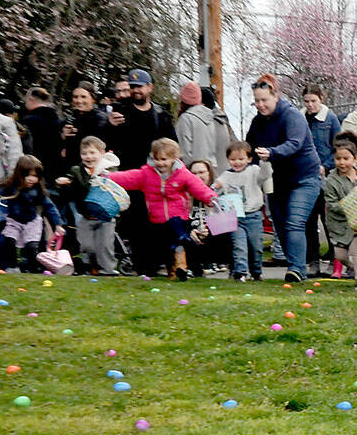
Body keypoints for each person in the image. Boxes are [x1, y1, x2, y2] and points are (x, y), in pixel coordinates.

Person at [245, 74, 322, 282]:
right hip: (276, 181)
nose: (260, 105)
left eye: (264, 100)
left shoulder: (292, 116)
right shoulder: (258, 122)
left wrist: (272, 152)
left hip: (305, 178)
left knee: (294, 222)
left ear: (275, 96)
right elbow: (249, 149)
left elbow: (295, 143)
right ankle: (294, 262)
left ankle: (297, 269)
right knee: (279, 223)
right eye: (257, 101)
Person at [105, 138, 217, 281]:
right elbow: (127, 177)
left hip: (178, 215)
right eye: (156, 159)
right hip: (157, 218)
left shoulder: (183, 174)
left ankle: (182, 264)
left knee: (176, 233)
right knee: (167, 246)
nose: (160, 163)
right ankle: (173, 270)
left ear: (173, 158)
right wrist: (107, 177)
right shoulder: (146, 174)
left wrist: (210, 197)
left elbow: (198, 187)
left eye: (164, 159)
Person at [108, 68, 176, 273]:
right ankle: (143, 266)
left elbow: (173, 146)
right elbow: (107, 143)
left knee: (159, 221)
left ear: (150, 88)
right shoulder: (120, 112)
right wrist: (109, 125)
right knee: (136, 223)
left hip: (157, 176)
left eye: (140, 86)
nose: (136, 90)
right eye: (133, 87)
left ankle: (161, 263)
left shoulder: (161, 114)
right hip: (132, 178)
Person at [53, 135, 121, 275]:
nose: (88, 157)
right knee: (87, 245)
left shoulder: (109, 170)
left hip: (105, 215)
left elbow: (115, 190)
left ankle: (108, 269)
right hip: (85, 214)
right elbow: (71, 190)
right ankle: (91, 266)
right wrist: (62, 184)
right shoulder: (76, 171)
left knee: (105, 244)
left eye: (92, 153)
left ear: (102, 154)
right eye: (84, 153)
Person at [212, 141, 273, 283]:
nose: (237, 162)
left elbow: (265, 175)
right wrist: (214, 188)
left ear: (249, 159)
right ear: (228, 160)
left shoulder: (254, 171)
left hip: (253, 215)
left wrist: (265, 161)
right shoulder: (226, 175)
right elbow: (217, 186)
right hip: (235, 218)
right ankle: (240, 273)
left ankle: (256, 272)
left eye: (241, 159)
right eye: (233, 159)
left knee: (256, 247)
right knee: (239, 246)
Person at [321, 133, 357, 289]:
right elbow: (331, 204)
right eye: (338, 159)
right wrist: (348, 205)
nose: (342, 163)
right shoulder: (331, 181)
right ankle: (354, 268)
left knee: (356, 249)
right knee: (340, 255)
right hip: (340, 224)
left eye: (346, 159)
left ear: (354, 158)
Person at [0, 155, 64, 273]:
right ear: (19, 174)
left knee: (32, 246)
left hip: (32, 222)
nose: (31, 179)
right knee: (9, 241)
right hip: (13, 221)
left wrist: (58, 224)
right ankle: (12, 267)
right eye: (27, 175)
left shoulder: (38, 191)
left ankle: (34, 269)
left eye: (35, 176)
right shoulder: (11, 187)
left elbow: (50, 207)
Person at [303, 84, 342, 274]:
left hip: (325, 174)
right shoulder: (302, 119)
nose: (310, 105)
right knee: (309, 222)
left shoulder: (330, 119)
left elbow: (337, 146)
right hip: (306, 176)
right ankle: (313, 260)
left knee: (328, 221)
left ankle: (334, 260)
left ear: (321, 100)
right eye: (307, 101)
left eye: (313, 101)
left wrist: (325, 165)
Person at [60, 81, 111, 166]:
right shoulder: (70, 119)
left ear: (93, 98)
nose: (79, 101)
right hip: (70, 167)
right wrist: (63, 136)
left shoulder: (100, 119)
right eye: (75, 97)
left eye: (83, 97)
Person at [21, 87, 64, 184]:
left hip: (32, 169)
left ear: (31, 99)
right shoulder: (57, 120)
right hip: (53, 170)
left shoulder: (29, 121)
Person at [175, 81, 222, 168]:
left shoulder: (186, 119)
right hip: (210, 169)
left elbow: (184, 151)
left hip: (194, 170)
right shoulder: (211, 117)